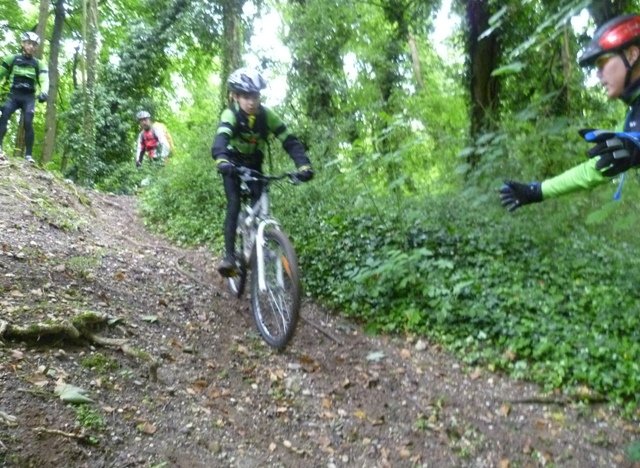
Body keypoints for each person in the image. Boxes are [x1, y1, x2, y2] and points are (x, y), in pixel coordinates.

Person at [500, 14, 640, 211]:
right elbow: (595, 168)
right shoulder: (632, 117)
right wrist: (538, 190)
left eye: (601, 63)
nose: (598, 75)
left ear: (632, 55)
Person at [211, 68, 314, 277]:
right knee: (234, 204)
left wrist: (303, 165)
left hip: (254, 164)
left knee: (260, 201)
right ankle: (229, 256)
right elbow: (221, 137)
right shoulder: (231, 114)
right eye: (246, 97)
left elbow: (289, 140)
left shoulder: (267, 116)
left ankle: (259, 244)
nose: (252, 101)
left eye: (255, 96)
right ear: (236, 96)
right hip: (231, 164)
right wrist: (221, 159)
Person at [0, 31, 49, 164]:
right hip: (13, 95)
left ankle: (28, 155)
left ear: (36, 47)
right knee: (4, 116)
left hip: (28, 97)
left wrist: (44, 92)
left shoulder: (39, 64)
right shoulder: (12, 59)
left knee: (28, 121)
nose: (31, 47)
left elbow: (44, 79)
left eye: (34, 45)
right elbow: (1, 73)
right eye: (28, 43)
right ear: (23, 44)